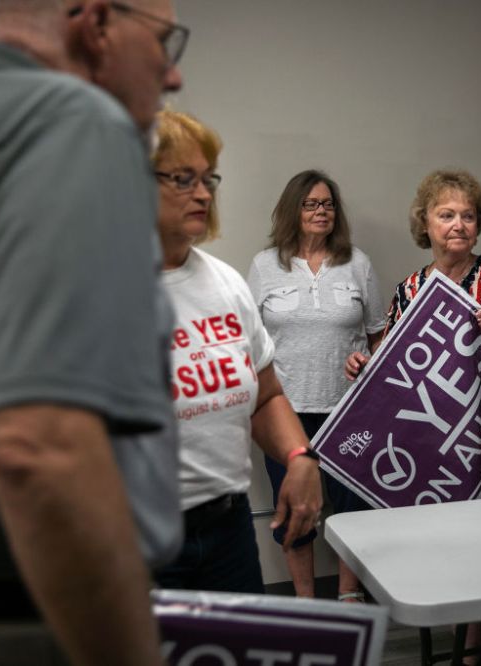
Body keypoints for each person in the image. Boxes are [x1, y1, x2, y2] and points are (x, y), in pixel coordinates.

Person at [0, 1, 185, 664]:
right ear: (95, 24)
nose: (172, 76)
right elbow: (41, 447)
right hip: (24, 618)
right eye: (164, 43)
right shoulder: (71, 120)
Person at [347, 168, 481, 666]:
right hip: (445, 452)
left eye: (468, 215)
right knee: (465, 559)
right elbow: (392, 370)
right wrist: (363, 367)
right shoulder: (410, 290)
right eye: (446, 215)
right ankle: (470, 653)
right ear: (426, 223)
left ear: (479, 225)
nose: (458, 224)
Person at [151, 111, 323, 593]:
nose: (204, 194)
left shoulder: (224, 283)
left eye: (208, 179)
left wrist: (299, 456)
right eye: (183, 179)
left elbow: (265, 395)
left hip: (227, 529)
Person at [248, 170, 387, 601]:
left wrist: (371, 364)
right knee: (295, 509)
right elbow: (248, 341)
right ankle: (306, 604)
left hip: (348, 410)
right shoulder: (264, 265)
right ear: (293, 210)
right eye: (310, 204)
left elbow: (379, 336)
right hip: (284, 413)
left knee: (353, 507)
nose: (321, 211)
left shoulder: (358, 263)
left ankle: (348, 595)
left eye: (327, 204)